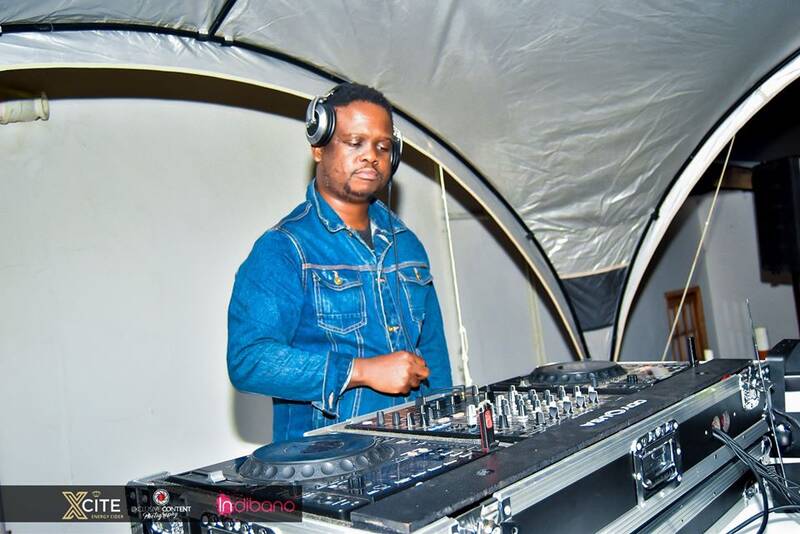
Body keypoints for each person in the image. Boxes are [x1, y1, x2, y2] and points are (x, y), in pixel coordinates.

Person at [227, 83, 453, 442]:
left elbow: (434, 356)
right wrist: (360, 371)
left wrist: (451, 430)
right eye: (355, 142)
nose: (371, 156)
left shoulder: (407, 245)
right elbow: (249, 360)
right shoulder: (283, 248)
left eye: (382, 147)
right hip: (327, 459)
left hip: (416, 449)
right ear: (319, 147)